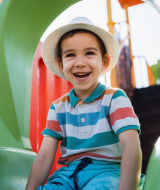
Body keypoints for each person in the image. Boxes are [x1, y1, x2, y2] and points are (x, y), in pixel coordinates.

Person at [26, 17, 145, 190]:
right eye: (70, 55)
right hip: (69, 174)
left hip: (107, 171)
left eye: (89, 53)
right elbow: (45, 156)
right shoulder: (58, 108)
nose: (80, 63)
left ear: (103, 61)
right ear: (61, 64)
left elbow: (130, 144)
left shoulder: (114, 99)